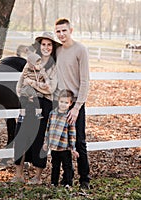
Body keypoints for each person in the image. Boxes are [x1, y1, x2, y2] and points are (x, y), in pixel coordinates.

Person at [11, 31, 61, 184]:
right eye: (43, 44)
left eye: (49, 45)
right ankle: (18, 174)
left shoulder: (54, 66)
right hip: (26, 103)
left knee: (39, 139)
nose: (46, 47)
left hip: (44, 105)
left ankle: (37, 176)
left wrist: (33, 84)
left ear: (53, 47)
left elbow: (50, 88)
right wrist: (23, 98)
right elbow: (20, 83)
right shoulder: (31, 62)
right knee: (20, 137)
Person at [54, 18, 91, 189]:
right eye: (58, 31)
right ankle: (66, 178)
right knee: (62, 143)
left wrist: (77, 107)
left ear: (71, 30)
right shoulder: (58, 50)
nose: (61, 34)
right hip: (61, 103)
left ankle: (84, 179)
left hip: (76, 103)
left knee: (80, 141)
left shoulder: (80, 49)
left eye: (64, 31)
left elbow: (85, 81)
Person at [43, 89, 79, 188]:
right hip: (54, 146)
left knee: (67, 166)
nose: (63, 104)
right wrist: (46, 143)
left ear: (70, 103)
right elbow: (48, 128)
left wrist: (73, 148)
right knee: (55, 165)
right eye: (61, 102)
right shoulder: (52, 114)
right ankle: (54, 182)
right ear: (58, 101)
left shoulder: (69, 116)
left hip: (64, 147)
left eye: (66, 102)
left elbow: (72, 133)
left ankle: (68, 183)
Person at [17, 51, 50, 121]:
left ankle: (38, 113)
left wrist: (47, 82)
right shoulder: (26, 69)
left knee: (38, 100)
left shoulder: (41, 70)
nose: (38, 65)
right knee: (23, 99)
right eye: (36, 64)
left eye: (39, 64)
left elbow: (46, 77)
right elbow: (24, 79)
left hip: (37, 89)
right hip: (27, 89)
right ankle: (22, 114)